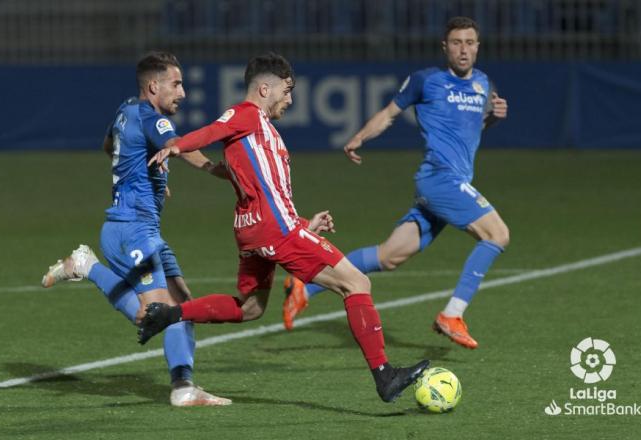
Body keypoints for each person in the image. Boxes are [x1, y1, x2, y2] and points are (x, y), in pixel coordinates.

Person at [139, 52, 430, 403]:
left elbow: (262, 187)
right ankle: (385, 374)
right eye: (287, 91)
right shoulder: (246, 115)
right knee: (357, 282)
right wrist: (175, 146)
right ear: (265, 88)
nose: (290, 100)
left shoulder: (258, 134)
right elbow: (214, 130)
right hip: (274, 230)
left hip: (257, 230)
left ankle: (169, 314)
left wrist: (305, 225)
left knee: (250, 308)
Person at [282, 16, 509, 350]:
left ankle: (305, 286)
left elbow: (470, 129)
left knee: (389, 257)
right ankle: (452, 314)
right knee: (498, 234)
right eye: (457, 43)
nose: (464, 49)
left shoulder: (484, 84)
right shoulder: (425, 81)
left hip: (452, 183)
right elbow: (388, 113)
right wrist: (358, 137)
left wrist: (492, 117)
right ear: (445, 47)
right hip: (439, 178)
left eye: (470, 42)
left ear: (478, 46)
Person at [41, 51, 231, 407]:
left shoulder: (126, 109)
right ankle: (86, 266)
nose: (183, 92)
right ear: (153, 86)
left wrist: (144, 173)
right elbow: (177, 146)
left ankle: (183, 387)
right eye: (176, 84)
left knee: (184, 307)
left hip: (143, 229)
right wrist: (218, 171)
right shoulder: (149, 117)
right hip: (132, 231)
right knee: (154, 314)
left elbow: (109, 145)